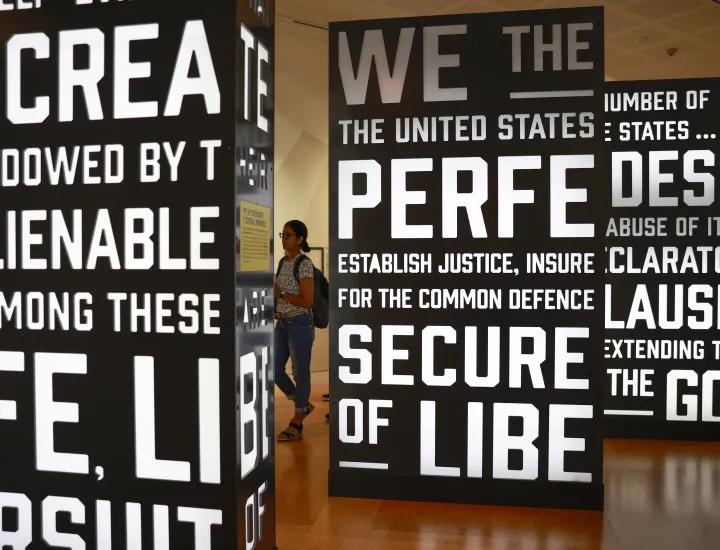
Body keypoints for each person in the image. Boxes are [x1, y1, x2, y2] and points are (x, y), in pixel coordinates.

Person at [274, 220, 316, 442]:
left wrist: (280, 295)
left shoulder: (304, 264)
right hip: (281, 323)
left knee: (300, 373)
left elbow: (307, 301)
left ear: (299, 239)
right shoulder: (283, 262)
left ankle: (298, 419)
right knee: (274, 369)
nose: (283, 238)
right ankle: (303, 404)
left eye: (288, 235)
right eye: (283, 234)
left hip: (299, 323)